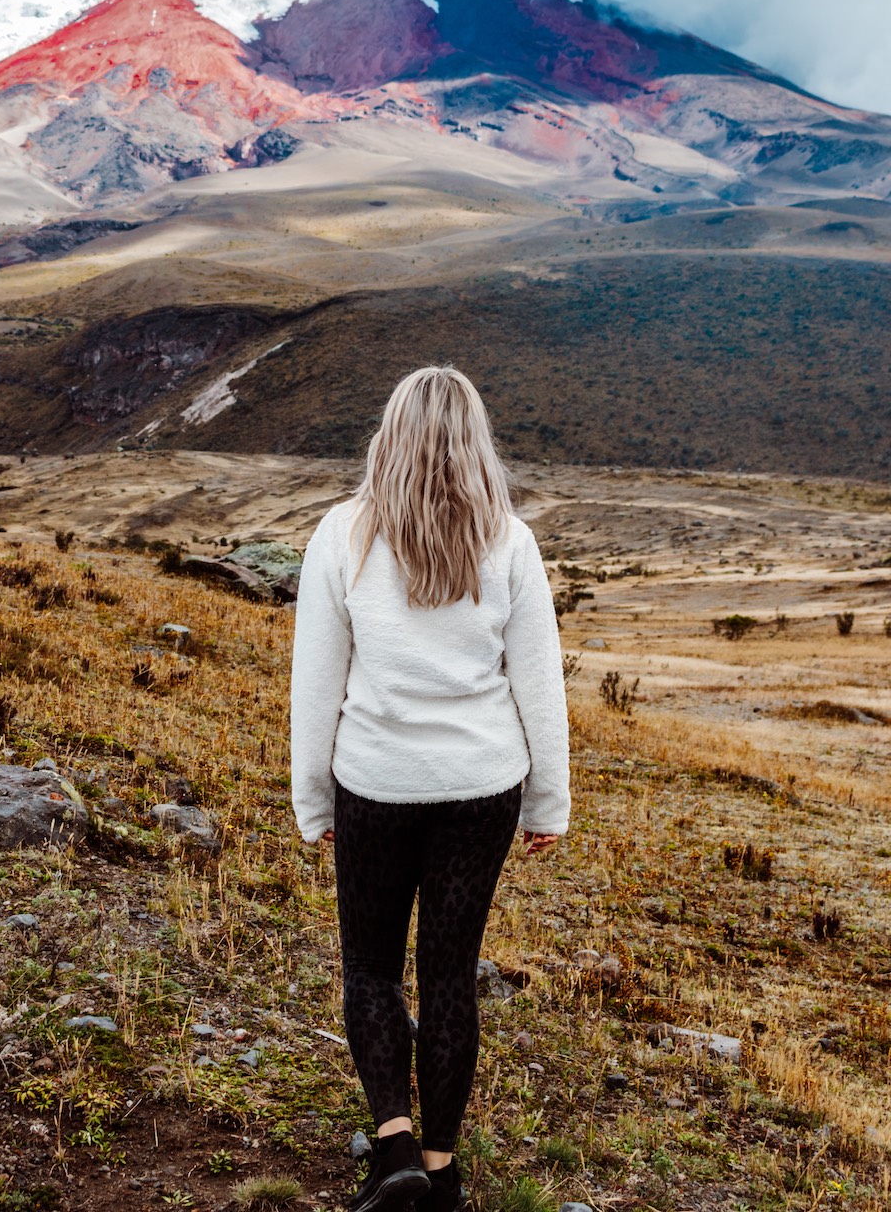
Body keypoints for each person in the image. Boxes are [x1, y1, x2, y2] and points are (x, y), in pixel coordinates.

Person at [290, 365, 570, 1212]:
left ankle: (395, 1149)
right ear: (474, 443)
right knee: (449, 975)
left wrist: (314, 799)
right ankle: (441, 1175)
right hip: (481, 789)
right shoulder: (509, 541)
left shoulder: (342, 535)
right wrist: (546, 801)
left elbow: (316, 683)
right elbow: (539, 683)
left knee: (372, 970)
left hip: (375, 784)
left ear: (390, 435)